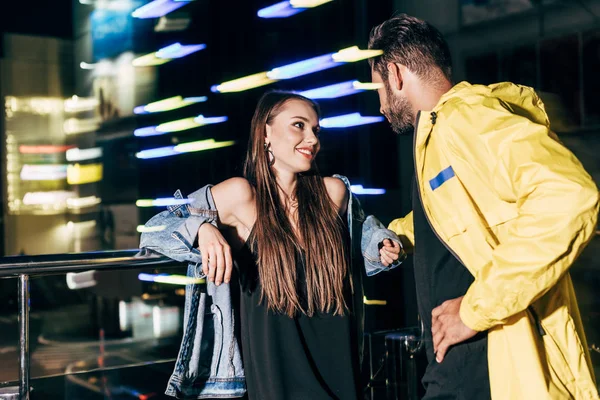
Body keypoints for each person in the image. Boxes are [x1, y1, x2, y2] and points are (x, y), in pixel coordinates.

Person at [368, 14, 599, 400]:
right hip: (461, 368)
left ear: (395, 74)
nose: (379, 107)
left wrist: (474, 309)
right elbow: (458, 212)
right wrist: (400, 236)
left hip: (491, 367)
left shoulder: (465, 117)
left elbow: (569, 197)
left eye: (376, 89)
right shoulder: (438, 131)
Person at [140, 91, 403, 400]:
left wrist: (381, 241)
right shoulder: (242, 197)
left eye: (316, 130)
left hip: (340, 373)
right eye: (299, 125)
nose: (312, 139)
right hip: (277, 380)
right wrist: (202, 231)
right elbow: (155, 228)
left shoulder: (332, 193)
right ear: (265, 133)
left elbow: (363, 230)